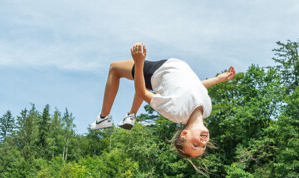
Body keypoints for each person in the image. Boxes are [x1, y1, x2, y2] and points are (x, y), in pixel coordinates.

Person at [90, 42, 236, 160]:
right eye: (202, 147)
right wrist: (218, 79)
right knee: (149, 88)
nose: (202, 143)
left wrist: (139, 63)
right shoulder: (207, 109)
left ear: (184, 134)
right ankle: (131, 115)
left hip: (159, 71)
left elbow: (142, 92)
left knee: (114, 68)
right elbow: (195, 87)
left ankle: (103, 117)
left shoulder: (176, 113)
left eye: (195, 145)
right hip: (171, 70)